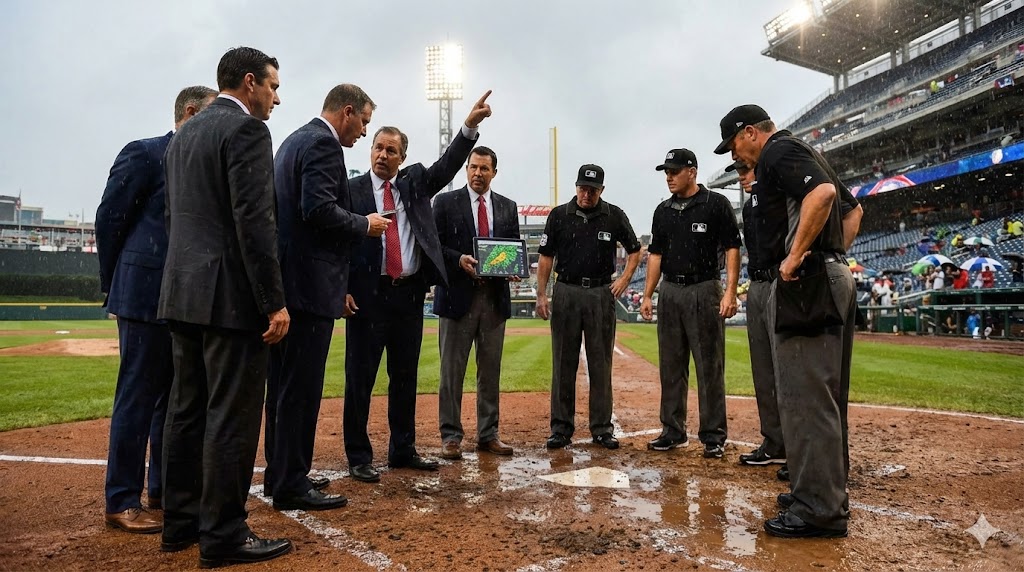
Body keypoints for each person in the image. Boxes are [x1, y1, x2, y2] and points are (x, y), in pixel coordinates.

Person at [158, 47, 293, 567]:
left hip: (183, 293)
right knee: (232, 417)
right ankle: (223, 536)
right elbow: (255, 224)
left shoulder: (184, 133)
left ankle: (180, 526)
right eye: (273, 87)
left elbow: (177, 219)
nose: (276, 98)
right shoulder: (247, 132)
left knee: (186, 412)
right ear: (250, 81)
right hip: (230, 300)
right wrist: (273, 302)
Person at [717, 104, 855, 539]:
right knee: (821, 395)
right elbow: (853, 211)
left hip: (807, 281)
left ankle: (819, 508)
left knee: (806, 397)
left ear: (751, 133)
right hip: (826, 274)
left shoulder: (777, 150)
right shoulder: (803, 151)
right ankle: (819, 492)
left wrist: (799, 256)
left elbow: (825, 197)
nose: (737, 156)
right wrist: (833, 254)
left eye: (735, 144)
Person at [343, 91, 493, 483]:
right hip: (367, 295)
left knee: (405, 376)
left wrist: (469, 127)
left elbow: (447, 165)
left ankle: (403, 449)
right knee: (360, 377)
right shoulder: (353, 190)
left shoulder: (414, 184)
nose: (382, 155)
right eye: (378, 147)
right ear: (370, 151)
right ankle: (359, 456)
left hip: (409, 294)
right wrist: (341, 287)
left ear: (402, 158)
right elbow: (337, 242)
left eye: (391, 150)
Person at [96, 85, 217, 534]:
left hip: (184, 298)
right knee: (137, 396)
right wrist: (115, 287)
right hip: (144, 295)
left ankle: (163, 491)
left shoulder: (202, 164)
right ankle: (121, 499)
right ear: (189, 112)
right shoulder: (145, 153)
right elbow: (109, 219)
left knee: (175, 400)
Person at [263, 84, 389, 511]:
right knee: (300, 390)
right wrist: (364, 223)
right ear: (347, 112)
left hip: (290, 283)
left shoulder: (294, 140)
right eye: (364, 123)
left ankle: (280, 473)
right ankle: (292, 484)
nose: (361, 133)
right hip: (309, 287)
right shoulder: (323, 144)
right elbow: (316, 209)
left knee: (281, 388)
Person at [639, 149, 741, 459]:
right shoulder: (663, 210)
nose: (668, 176)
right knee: (671, 365)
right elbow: (655, 255)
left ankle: (713, 435)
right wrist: (647, 294)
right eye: (665, 171)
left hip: (704, 287)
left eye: (674, 170)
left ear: (692, 172)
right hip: (670, 290)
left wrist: (730, 291)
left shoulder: (715, 204)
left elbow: (733, 248)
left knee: (709, 365)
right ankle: (673, 431)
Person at [536, 164, 642, 450]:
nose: (586, 194)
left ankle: (602, 428)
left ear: (601, 191)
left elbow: (635, 249)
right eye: (583, 188)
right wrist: (542, 294)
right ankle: (560, 428)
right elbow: (545, 257)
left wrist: (625, 278)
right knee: (563, 363)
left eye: (593, 190)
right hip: (566, 290)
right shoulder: (559, 215)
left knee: (600, 363)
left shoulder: (613, 215)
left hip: (599, 292)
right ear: (576, 186)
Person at [433, 146, 520, 460]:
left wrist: (512, 269)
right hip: (457, 298)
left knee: (490, 372)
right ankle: (451, 436)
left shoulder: (508, 207)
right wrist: (459, 260)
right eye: (473, 167)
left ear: (494, 172)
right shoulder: (444, 202)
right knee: (451, 372)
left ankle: (488, 434)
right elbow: (433, 246)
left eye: (485, 169)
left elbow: (510, 251)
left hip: (494, 300)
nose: (478, 174)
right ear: (466, 169)